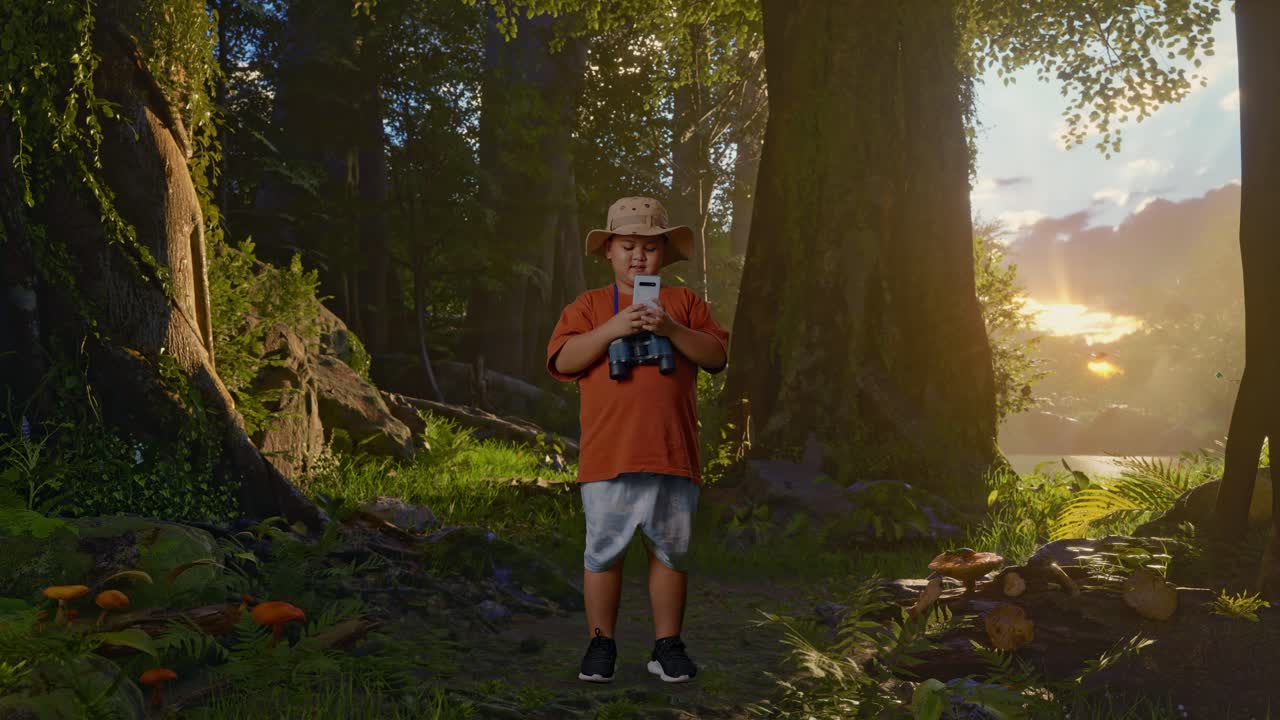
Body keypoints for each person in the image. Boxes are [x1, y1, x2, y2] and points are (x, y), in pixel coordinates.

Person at [546, 196, 730, 684]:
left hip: (672, 454)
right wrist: (612, 329)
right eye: (627, 246)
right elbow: (564, 361)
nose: (638, 257)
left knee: (672, 551)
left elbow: (715, 356)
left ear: (664, 255)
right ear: (608, 250)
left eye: (650, 248)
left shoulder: (684, 304)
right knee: (603, 552)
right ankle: (600, 643)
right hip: (609, 455)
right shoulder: (587, 306)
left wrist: (669, 328)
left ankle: (667, 645)